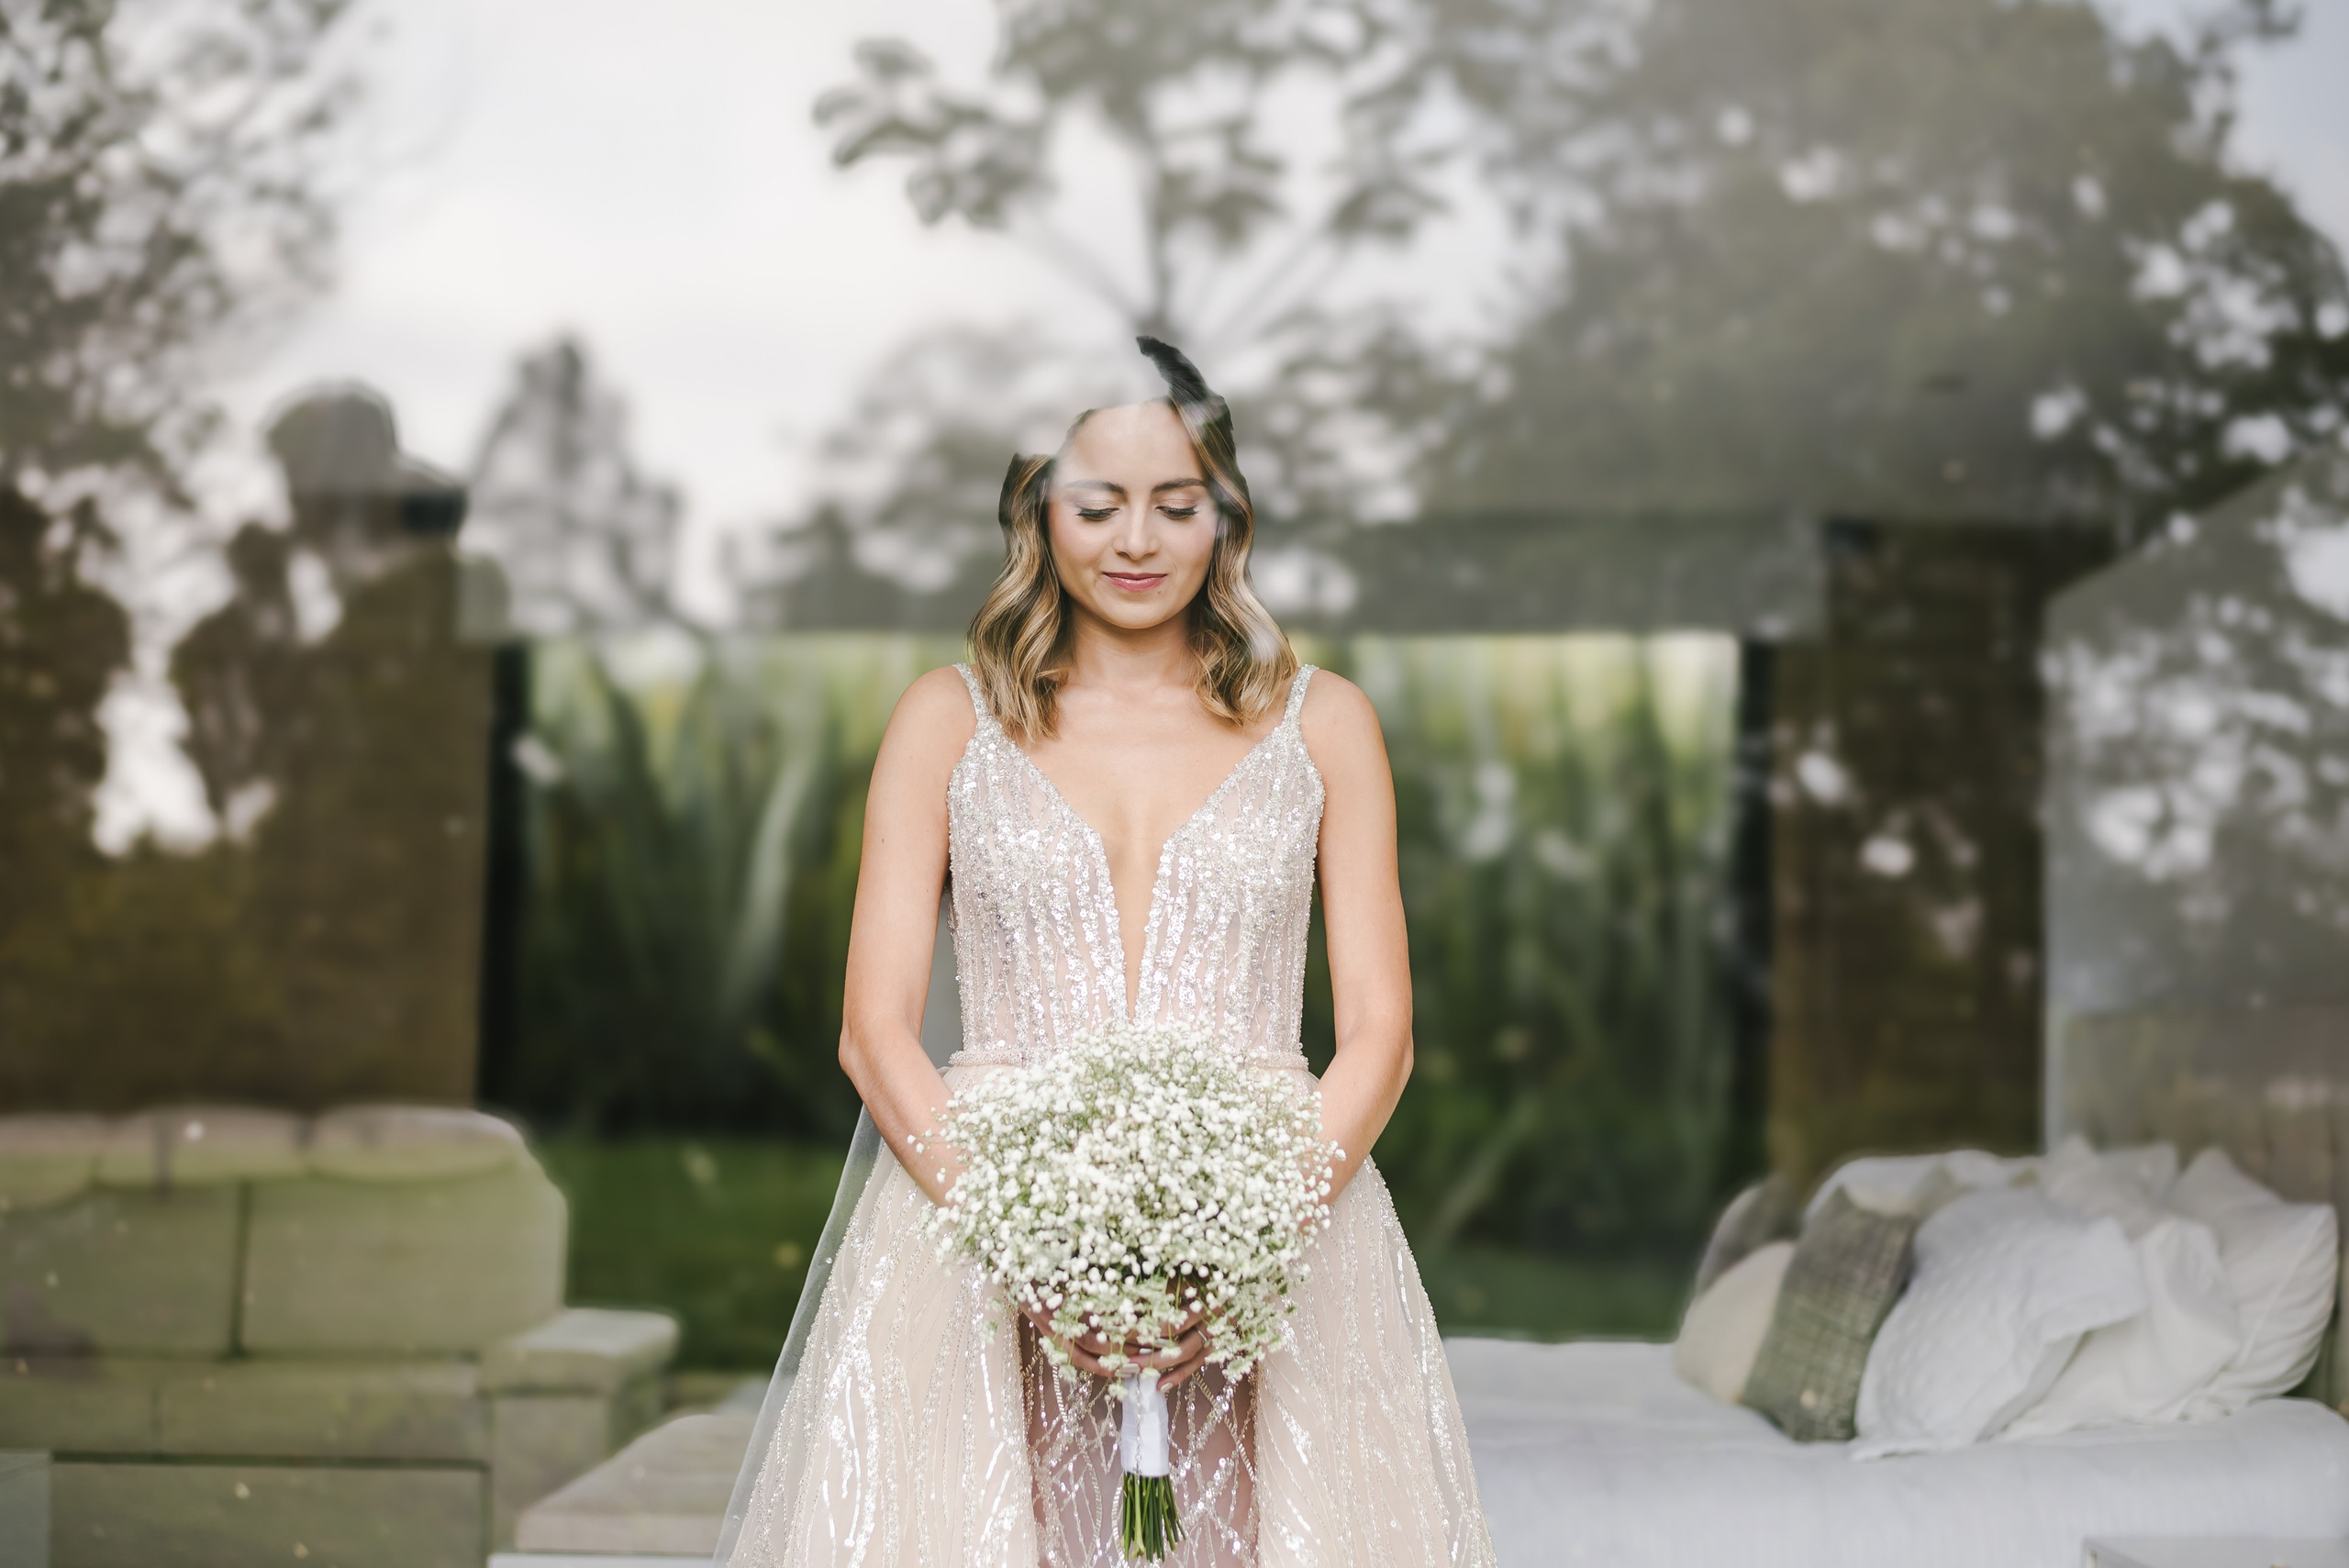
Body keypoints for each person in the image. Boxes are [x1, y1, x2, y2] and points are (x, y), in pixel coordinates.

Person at [718, 339, 1495, 1567]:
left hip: (1280, 1239)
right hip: (970, 1239)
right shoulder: (946, 717)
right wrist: (1028, 1251)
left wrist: (1246, 1248)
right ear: (1039, 508)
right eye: (1099, 502)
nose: (1138, 539)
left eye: (1176, 504)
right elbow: (873, 1028)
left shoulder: (1326, 722)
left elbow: (1382, 1035)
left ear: (1225, 516)